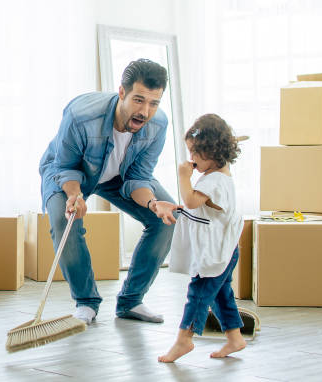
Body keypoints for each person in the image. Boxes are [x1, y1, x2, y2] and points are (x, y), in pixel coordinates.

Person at [39, 58, 179, 325]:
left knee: (164, 219)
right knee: (63, 219)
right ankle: (86, 303)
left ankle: (131, 301)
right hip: (69, 171)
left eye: (154, 103)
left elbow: (138, 178)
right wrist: (74, 195)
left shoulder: (158, 124)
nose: (145, 111)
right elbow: (65, 166)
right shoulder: (80, 114)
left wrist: (153, 205)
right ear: (122, 92)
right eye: (139, 100)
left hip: (119, 175)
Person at [158, 114, 246, 363]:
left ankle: (184, 339)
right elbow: (197, 209)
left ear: (212, 152)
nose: (191, 159)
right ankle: (234, 337)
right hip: (222, 249)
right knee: (220, 293)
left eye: (195, 153)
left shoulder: (216, 181)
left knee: (198, 293)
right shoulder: (215, 176)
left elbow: (192, 200)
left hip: (218, 251)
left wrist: (183, 176)